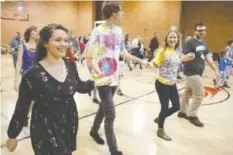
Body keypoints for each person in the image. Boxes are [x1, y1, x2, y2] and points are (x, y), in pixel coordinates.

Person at [6, 24, 95, 155]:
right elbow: (22, 107)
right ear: (46, 43)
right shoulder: (32, 74)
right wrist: (12, 135)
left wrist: (94, 82)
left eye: (66, 40)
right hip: (45, 127)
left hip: (68, 123)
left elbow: (78, 85)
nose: (64, 44)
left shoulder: (70, 65)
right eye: (58, 40)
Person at [86, 1, 151, 155]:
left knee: (104, 107)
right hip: (103, 78)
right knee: (110, 114)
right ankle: (113, 150)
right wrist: (97, 71)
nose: (124, 14)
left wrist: (141, 60)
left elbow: (122, 53)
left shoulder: (119, 31)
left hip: (115, 77)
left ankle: (94, 131)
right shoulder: (98, 31)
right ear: (114, 13)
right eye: (121, 12)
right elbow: (90, 57)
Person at [178, 23, 219, 127]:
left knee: (187, 92)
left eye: (204, 30)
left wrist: (215, 69)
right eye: (200, 30)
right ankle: (192, 115)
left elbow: (208, 57)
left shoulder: (204, 43)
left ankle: (182, 112)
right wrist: (187, 57)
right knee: (200, 94)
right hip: (191, 72)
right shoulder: (190, 42)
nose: (202, 32)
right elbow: (182, 57)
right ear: (194, 31)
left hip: (198, 72)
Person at [152, 30, 181, 141]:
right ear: (167, 38)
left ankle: (160, 118)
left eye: (175, 37)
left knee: (176, 106)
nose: (172, 39)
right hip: (162, 83)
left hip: (172, 83)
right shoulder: (162, 51)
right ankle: (160, 129)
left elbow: (174, 64)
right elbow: (155, 62)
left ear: (177, 40)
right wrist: (150, 63)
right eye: (170, 37)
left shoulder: (176, 51)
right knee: (164, 107)